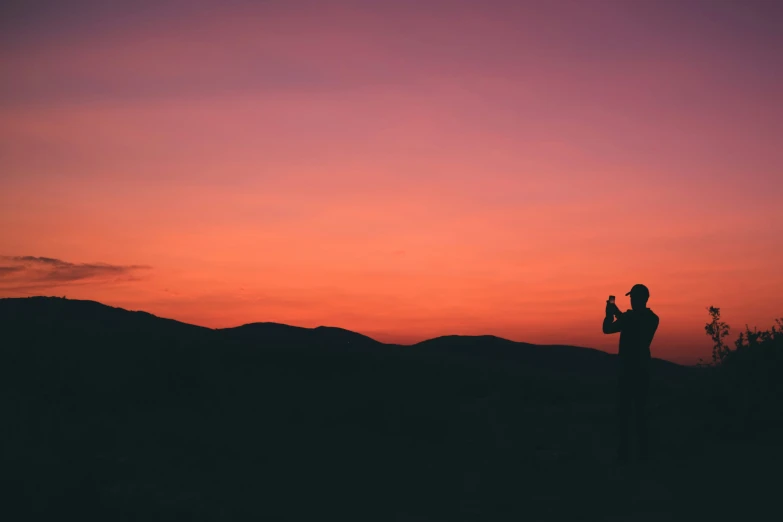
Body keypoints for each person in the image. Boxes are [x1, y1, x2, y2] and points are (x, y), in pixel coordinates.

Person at [603, 284, 659, 462]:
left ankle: (628, 455)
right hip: (639, 370)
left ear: (640, 299)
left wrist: (612, 313)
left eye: (633, 297)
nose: (632, 301)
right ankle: (638, 454)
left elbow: (618, 326)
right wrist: (611, 315)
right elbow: (609, 328)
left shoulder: (645, 318)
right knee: (635, 414)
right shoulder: (651, 318)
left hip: (631, 371)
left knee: (630, 414)